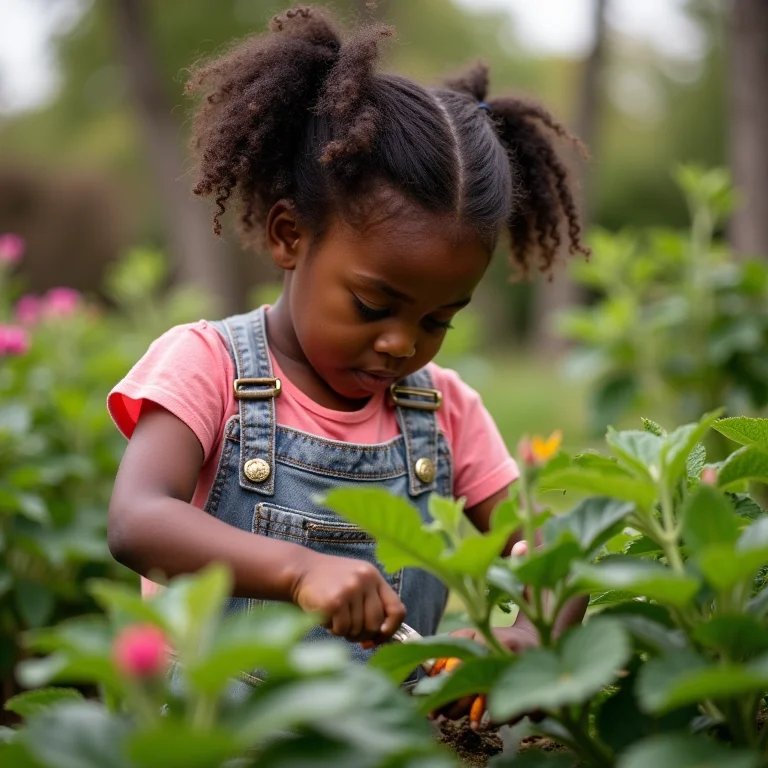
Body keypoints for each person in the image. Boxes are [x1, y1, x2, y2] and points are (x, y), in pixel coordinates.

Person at [106, 6, 589, 708]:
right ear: (289, 235)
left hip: (387, 739)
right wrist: (296, 570)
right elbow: (138, 521)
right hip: (219, 733)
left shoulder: (444, 411)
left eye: (438, 320)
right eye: (372, 305)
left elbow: (548, 551)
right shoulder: (207, 366)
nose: (401, 344)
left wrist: (530, 639)